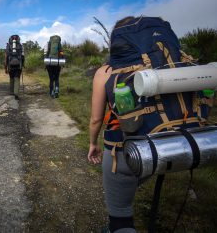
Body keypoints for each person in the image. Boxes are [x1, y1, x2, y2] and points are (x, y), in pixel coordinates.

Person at [88, 16, 210, 233]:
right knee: (139, 175)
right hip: (172, 144)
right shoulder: (178, 65)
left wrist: (92, 144)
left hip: (129, 152)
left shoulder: (105, 72)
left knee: (120, 211)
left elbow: (96, 119)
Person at [4, 34, 24, 100]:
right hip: (18, 65)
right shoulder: (21, 46)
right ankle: (16, 93)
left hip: (10, 65)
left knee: (11, 78)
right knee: (17, 79)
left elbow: (6, 57)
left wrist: (6, 67)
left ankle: (11, 92)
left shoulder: (8, 46)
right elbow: (23, 56)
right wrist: (23, 64)